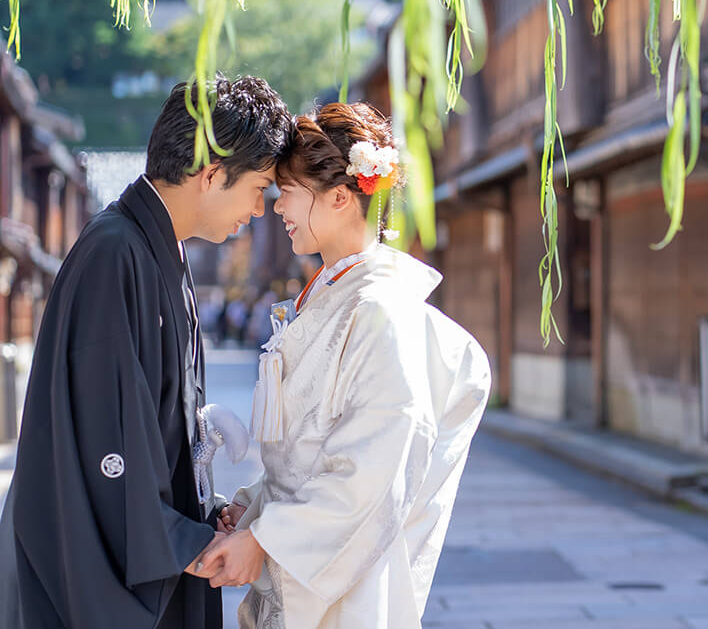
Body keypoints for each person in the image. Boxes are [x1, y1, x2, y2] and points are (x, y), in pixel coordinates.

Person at [0, 76, 293, 629]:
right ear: (211, 175)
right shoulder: (115, 252)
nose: (260, 209)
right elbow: (104, 444)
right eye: (258, 188)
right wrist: (191, 542)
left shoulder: (156, 249)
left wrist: (202, 495)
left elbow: (144, 411)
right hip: (98, 565)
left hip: (145, 545)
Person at [199, 102, 491, 629]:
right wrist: (254, 507)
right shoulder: (332, 297)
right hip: (301, 560)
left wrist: (265, 539)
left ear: (338, 197)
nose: (275, 207)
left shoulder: (380, 311)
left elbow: (372, 472)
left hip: (344, 585)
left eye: (287, 191)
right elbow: (306, 455)